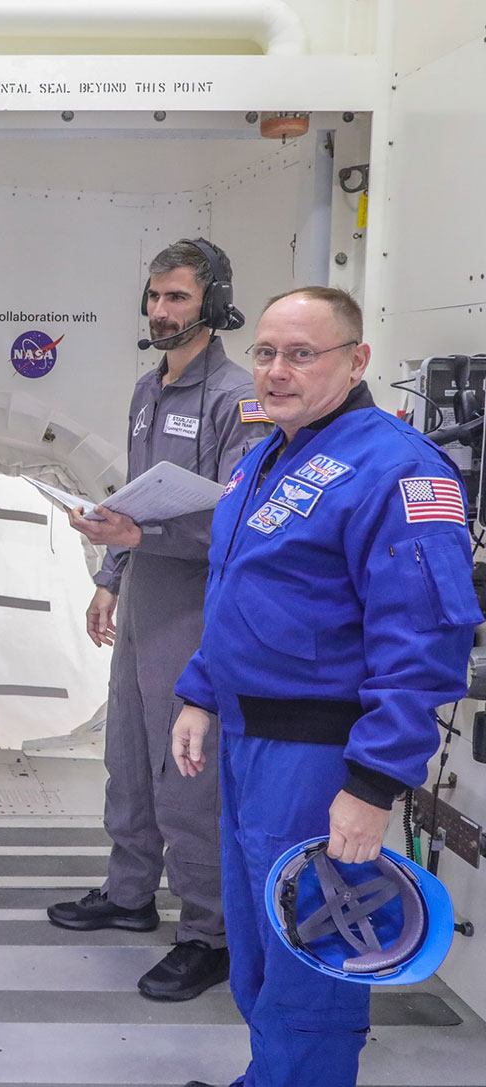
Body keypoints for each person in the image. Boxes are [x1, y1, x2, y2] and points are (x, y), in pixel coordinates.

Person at [171, 287, 480, 1087]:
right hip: (250, 740)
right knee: (261, 939)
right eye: (267, 352)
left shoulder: (398, 469)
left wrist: (372, 783)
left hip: (320, 755)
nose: (277, 370)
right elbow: (237, 589)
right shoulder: (267, 458)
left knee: (311, 946)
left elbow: (423, 640)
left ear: (356, 360)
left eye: (302, 354)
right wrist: (203, 692)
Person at [49, 239, 273, 1001]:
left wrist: (138, 537)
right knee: (128, 755)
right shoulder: (149, 389)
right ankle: (130, 891)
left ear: (214, 303)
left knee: (186, 774)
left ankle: (208, 932)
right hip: (145, 592)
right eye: (153, 296)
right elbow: (138, 496)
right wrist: (111, 574)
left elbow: (236, 524)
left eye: (176, 296)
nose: (159, 310)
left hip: (197, 607)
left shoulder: (238, 399)